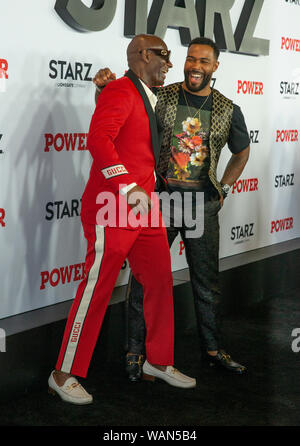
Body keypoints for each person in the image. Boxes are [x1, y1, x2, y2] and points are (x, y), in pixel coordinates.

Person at [48, 34, 196, 405]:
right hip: (111, 206)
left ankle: (158, 362)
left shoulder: (148, 94)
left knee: (161, 281)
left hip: (145, 209)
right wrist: (127, 185)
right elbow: (99, 140)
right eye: (164, 55)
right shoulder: (120, 90)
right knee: (95, 292)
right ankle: (62, 373)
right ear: (143, 54)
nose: (169, 63)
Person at [94, 37, 250, 383]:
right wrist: (103, 90)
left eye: (204, 61)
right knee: (143, 280)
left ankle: (212, 350)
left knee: (207, 282)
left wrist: (224, 187)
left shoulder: (228, 108)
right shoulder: (159, 95)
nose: (195, 66)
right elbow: (120, 119)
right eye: (191, 59)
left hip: (201, 205)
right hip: (159, 200)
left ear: (215, 67)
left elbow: (242, 151)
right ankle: (135, 351)